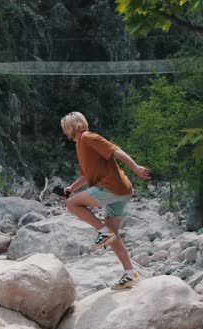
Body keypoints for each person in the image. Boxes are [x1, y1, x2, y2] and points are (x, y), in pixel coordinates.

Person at [61, 112, 151, 290]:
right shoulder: (81, 144)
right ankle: (129, 274)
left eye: (65, 128)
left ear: (73, 126)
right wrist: (72, 188)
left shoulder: (87, 137)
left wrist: (136, 168)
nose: (64, 132)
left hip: (111, 187)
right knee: (113, 236)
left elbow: (115, 150)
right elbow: (87, 176)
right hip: (121, 191)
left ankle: (102, 231)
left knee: (71, 204)